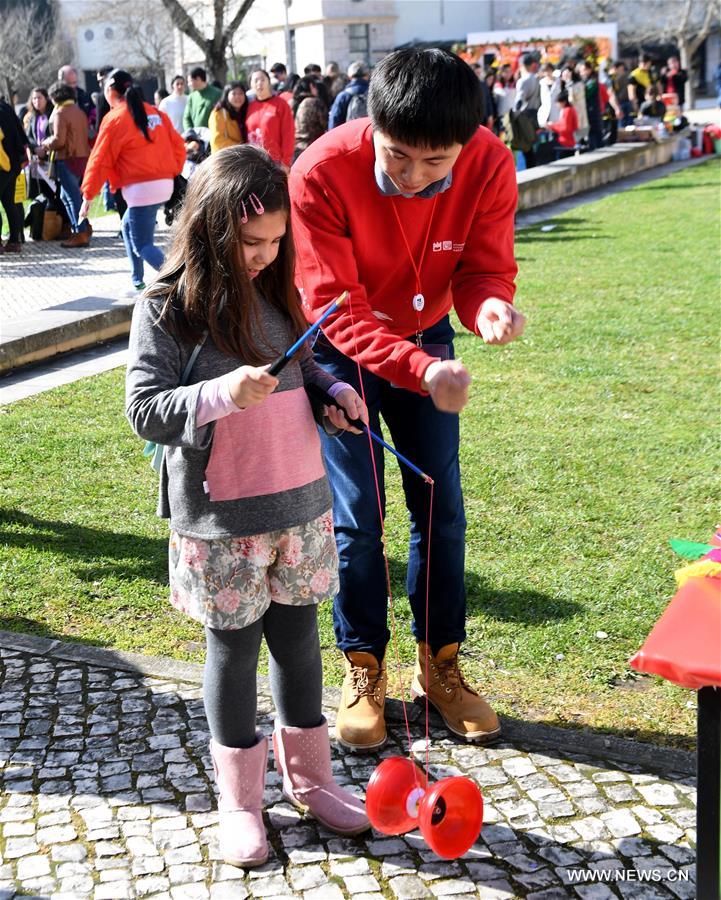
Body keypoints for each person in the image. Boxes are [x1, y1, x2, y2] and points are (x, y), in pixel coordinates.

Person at [125, 143, 370, 867]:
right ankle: (239, 801)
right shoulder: (167, 308)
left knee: (298, 647)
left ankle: (311, 781)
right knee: (231, 656)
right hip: (221, 521)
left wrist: (331, 393)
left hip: (298, 505)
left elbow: (302, 362)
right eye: (250, 243)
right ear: (209, 231)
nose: (263, 256)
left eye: (274, 242)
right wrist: (221, 395)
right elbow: (145, 409)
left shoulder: (275, 291)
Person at [289, 48, 525, 751]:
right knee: (359, 520)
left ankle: (440, 665)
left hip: (428, 339)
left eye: (435, 164)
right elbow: (335, 307)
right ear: (372, 124)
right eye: (397, 157)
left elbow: (486, 265)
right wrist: (419, 369)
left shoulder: (487, 163)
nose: (413, 178)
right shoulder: (321, 173)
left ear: (467, 143)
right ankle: (363, 665)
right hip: (344, 351)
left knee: (440, 510)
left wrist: (487, 309)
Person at [80, 69, 185, 291]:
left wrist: (88, 195)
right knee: (128, 224)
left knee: (143, 244)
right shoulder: (156, 113)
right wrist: (170, 171)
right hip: (163, 184)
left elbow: (99, 159)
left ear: (109, 91)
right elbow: (178, 146)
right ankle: (137, 279)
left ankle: (183, 280)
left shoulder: (114, 119)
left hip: (140, 189)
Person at [43, 81, 91, 248]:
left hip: (67, 158)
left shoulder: (60, 113)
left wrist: (45, 144)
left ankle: (81, 231)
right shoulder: (79, 111)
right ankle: (80, 229)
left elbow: (59, 140)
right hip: (82, 157)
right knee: (66, 196)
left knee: (72, 197)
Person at [246, 69, 295, 170]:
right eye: (256, 80)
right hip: (253, 161)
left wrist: (286, 162)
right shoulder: (249, 106)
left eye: (262, 80)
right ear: (251, 85)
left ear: (269, 82)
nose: (259, 83)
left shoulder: (281, 104)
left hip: (275, 163)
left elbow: (288, 134)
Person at [0, 98, 29, 254]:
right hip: (13, 164)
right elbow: (21, 137)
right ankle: (14, 241)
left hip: (2, 164)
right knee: (10, 203)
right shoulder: (7, 108)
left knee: (9, 203)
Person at [291, 75, 330, 161]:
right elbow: (325, 123)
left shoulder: (292, 102)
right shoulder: (314, 102)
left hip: (295, 148)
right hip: (312, 146)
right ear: (311, 86)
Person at [328, 61, 369, 129]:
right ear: (367, 75)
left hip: (349, 136)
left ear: (349, 77)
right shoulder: (375, 93)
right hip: (371, 136)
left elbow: (334, 122)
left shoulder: (343, 96)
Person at [209, 81, 248, 153]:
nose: (238, 97)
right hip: (226, 158)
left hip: (241, 156)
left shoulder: (245, 111)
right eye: (234, 93)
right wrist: (243, 148)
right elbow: (218, 140)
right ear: (227, 95)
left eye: (241, 93)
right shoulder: (218, 113)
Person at [543, 90, 578, 157]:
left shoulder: (567, 111)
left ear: (563, 102)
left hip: (565, 143)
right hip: (569, 142)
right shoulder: (569, 109)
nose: (557, 105)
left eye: (558, 103)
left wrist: (551, 127)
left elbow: (566, 128)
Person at [561, 64, 588, 144]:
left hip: (577, 113)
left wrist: (569, 85)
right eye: (564, 75)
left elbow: (572, 100)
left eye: (567, 74)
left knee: (579, 135)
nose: (565, 77)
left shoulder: (578, 85)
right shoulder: (563, 86)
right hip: (567, 115)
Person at [580, 62, 603, 150]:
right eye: (581, 70)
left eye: (584, 70)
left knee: (595, 133)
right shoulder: (585, 80)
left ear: (589, 70)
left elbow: (585, 94)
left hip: (593, 111)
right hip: (588, 110)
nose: (582, 72)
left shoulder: (592, 81)